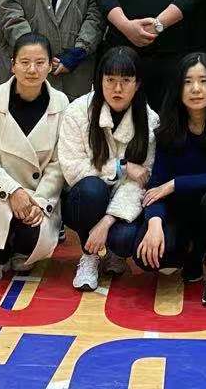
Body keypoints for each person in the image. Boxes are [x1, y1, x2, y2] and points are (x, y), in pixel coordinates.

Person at [116, 52, 206, 307]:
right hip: (184, 212)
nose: (196, 89)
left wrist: (175, 184)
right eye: (188, 82)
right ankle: (194, 250)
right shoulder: (170, 124)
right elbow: (156, 184)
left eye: (203, 81)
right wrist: (154, 222)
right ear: (178, 87)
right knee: (146, 254)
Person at [0, 33, 69, 281]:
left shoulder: (61, 103)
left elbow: (58, 163)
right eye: (24, 62)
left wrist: (39, 200)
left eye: (40, 62)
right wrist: (13, 191)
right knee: (1, 208)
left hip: (40, 193)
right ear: (13, 64)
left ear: (50, 65)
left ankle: (23, 249)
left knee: (32, 227)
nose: (32, 70)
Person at [58, 46, 158, 292]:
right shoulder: (77, 111)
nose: (117, 88)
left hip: (123, 203)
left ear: (137, 84)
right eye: (110, 80)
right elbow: (72, 168)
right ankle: (89, 256)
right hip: (83, 198)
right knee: (92, 189)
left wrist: (107, 221)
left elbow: (141, 181)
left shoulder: (150, 120)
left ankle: (115, 252)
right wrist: (121, 167)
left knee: (124, 239)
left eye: (126, 81)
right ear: (99, 80)